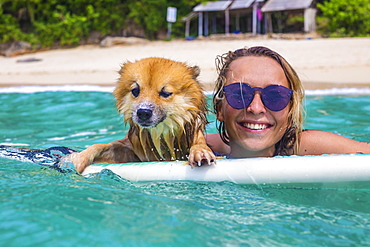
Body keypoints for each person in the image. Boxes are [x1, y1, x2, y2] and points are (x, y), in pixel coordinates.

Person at [206, 46, 370, 159]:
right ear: (219, 109)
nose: (256, 108)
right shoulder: (202, 148)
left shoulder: (310, 147)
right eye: (240, 94)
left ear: (291, 111)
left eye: (275, 97)